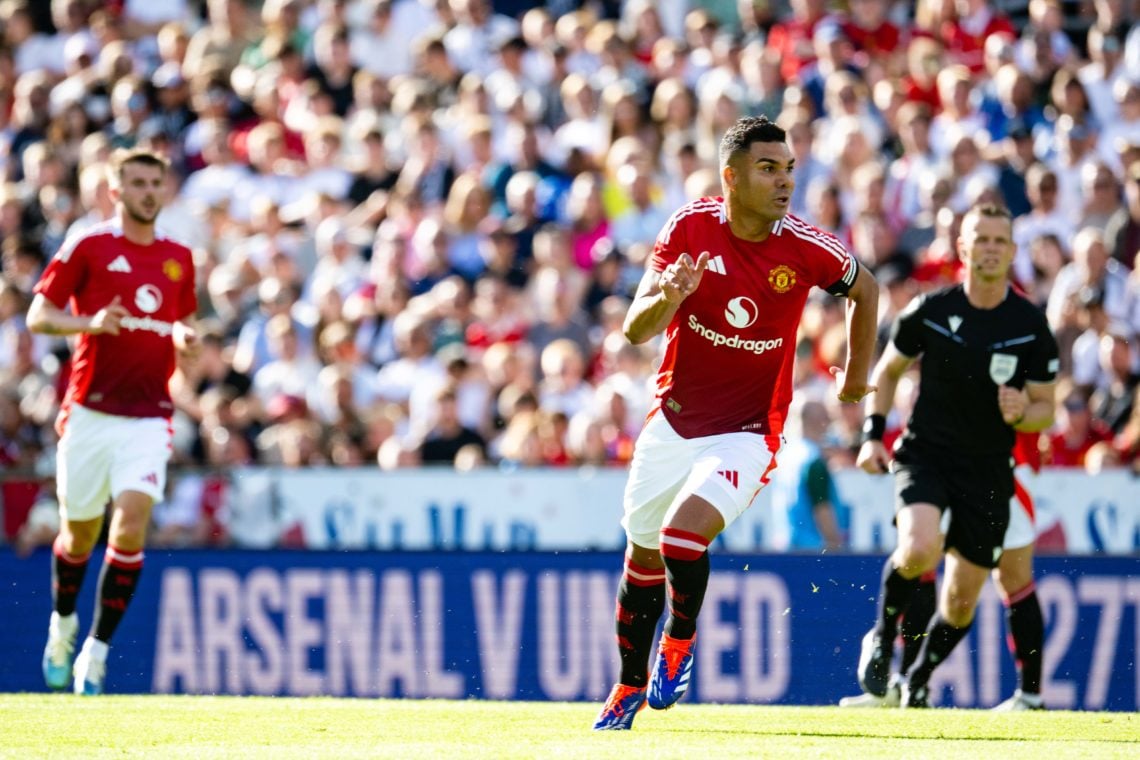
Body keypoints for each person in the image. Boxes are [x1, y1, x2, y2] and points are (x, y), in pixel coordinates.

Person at [593, 116, 879, 730]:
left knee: (680, 537)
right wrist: (669, 295)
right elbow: (635, 329)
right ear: (732, 177)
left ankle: (679, 643)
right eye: (768, 169)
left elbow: (867, 289)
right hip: (672, 422)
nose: (784, 182)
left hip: (747, 432)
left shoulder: (804, 246)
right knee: (641, 557)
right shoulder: (690, 227)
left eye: (789, 170)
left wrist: (856, 378)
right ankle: (626, 688)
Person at [851, 203, 1058, 709]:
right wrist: (873, 434)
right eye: (979, 239)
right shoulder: (930, 310)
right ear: (962, 248)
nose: (989, 247)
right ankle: (880, 637)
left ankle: (917, 678)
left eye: (998, 240)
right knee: (919, 547)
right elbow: (889, 370)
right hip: (925, 455)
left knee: (962, 601)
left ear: (1011, 251)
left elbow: (1046, 410)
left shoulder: (1030, 324)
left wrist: (1022, 410)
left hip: (987, 470)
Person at [27, 148, 198, 695]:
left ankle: (95, 655)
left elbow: (180, 321)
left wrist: (186, 339)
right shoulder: (90, 246)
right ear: (116, 191)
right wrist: (90, 323)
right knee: (78, 536)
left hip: (148, 417)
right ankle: (63, 626)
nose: (149, 191)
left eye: (156, 181)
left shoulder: (178, 257)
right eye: (138, 182)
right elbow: (38, 315)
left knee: (129, 525)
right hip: (90, 414)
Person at [839, 431, 1047, 710]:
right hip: (938, 454)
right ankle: (902, 681)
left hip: (1001, 462)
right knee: (920, 556)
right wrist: (873, 431)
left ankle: (1029, 696)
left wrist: (1019, 408)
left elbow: (1041, 405)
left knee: (990, 586)